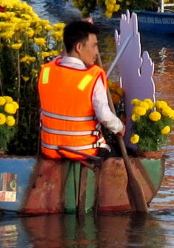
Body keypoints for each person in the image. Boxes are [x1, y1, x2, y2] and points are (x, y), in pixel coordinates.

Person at [37, 20, 124, 159]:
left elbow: (62, 58)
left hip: (50, 148)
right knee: (116, 155)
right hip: (83, 150)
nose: (96, 52)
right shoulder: (92, 77)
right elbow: (104, 116)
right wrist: (120, 128)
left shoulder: (47, 71)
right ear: (79, 47)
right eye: (94, 46)